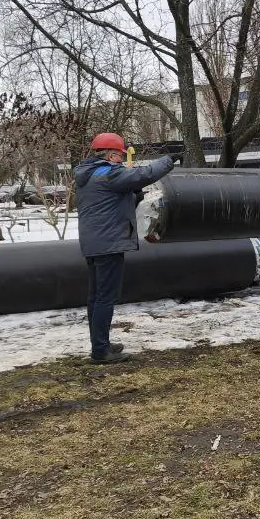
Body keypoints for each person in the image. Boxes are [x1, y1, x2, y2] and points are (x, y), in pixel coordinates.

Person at [74, 134, 179, 363]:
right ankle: (100, 351)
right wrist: (169, 160)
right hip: (109, 244)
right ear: (111, 154)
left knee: (96, 297)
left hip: (93, 243)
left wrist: (132, 196)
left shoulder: (88, 175)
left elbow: (109, 204)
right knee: (105, 298)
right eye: (120, 155)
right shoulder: (109, 172)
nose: (121, 160)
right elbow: (144, 175)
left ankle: (101, 344)